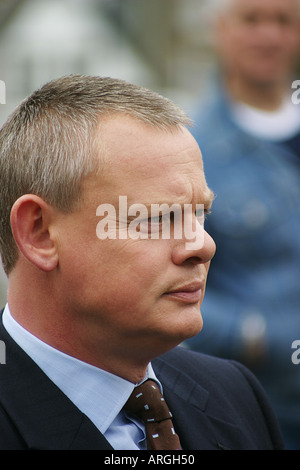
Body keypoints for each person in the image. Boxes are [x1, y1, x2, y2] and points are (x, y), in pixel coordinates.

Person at [0, 74, 284, 450]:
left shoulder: (235, 395)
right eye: (158, 218)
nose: (203, 245)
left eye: (200, 214)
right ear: (39, 233)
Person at [185, 0, 300, 449]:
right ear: (220, 27)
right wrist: (254, 335)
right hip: (263, 412)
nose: (268, 35)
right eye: (251, 19)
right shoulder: (192, 148)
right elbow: (158, 276)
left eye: (283, 20)